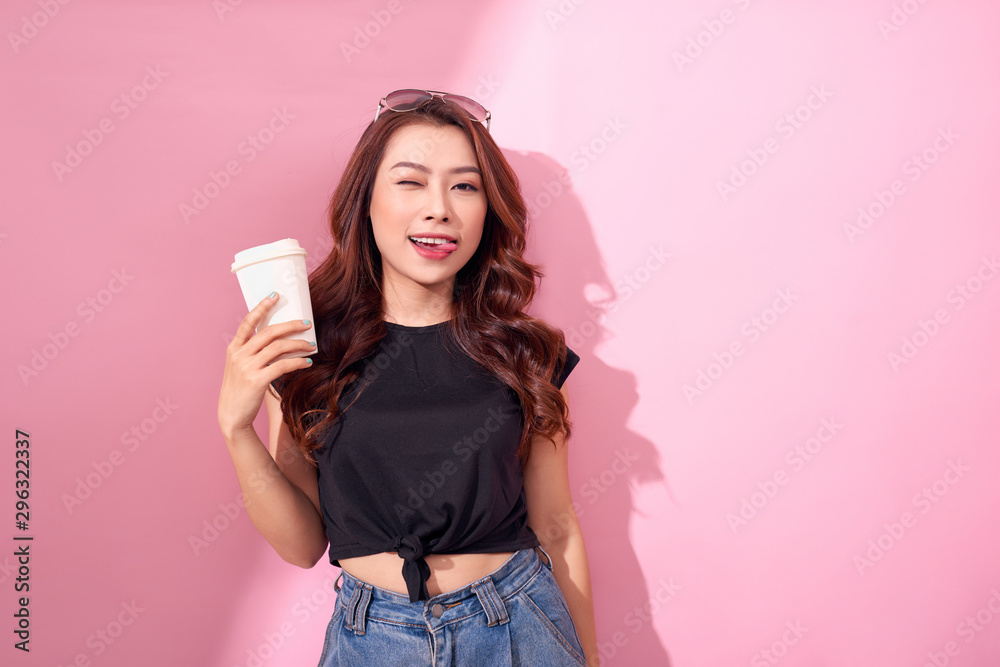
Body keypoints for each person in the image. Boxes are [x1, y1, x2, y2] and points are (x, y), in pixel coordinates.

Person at [218, 89, 598, 666]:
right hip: (371, 640)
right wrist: (236, 429)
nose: (439, 208)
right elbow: (302, 545)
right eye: (411, 181)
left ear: (487, 210)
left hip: (516, 627)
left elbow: (557, 525)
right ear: (366, 201)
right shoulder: (308, 351)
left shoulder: (524, 352)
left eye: (465, 186)